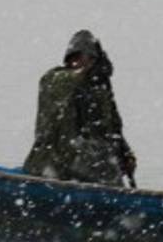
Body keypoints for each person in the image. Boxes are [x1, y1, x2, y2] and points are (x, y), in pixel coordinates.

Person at [23, 30, 137, 187]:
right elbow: (65, 82)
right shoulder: (54, 79)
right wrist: (86, 72)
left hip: (96, 173)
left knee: (103, 163)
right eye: (76, 57)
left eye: (89, 59)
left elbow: (112, 129)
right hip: (53, 167)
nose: (81, 62)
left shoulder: (99, 91)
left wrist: (125, 153)